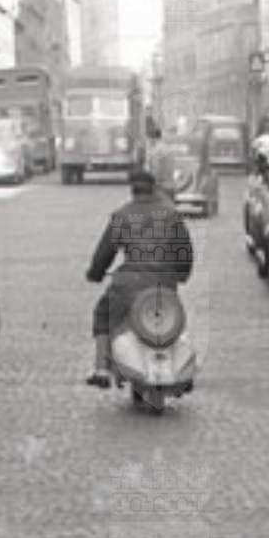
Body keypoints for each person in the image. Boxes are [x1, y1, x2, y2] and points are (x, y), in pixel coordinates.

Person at [84, 165, 194, 388]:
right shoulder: (171, 215)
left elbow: (105, 251)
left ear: (132, 189)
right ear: (153, 188)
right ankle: (179, 365)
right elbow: (184, 251)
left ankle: (102, 367)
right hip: (164, 283)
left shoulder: (122, 215)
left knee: (103, 314)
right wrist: (181, 274)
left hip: (128, 285)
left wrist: (95, 273)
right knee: (172, 320)